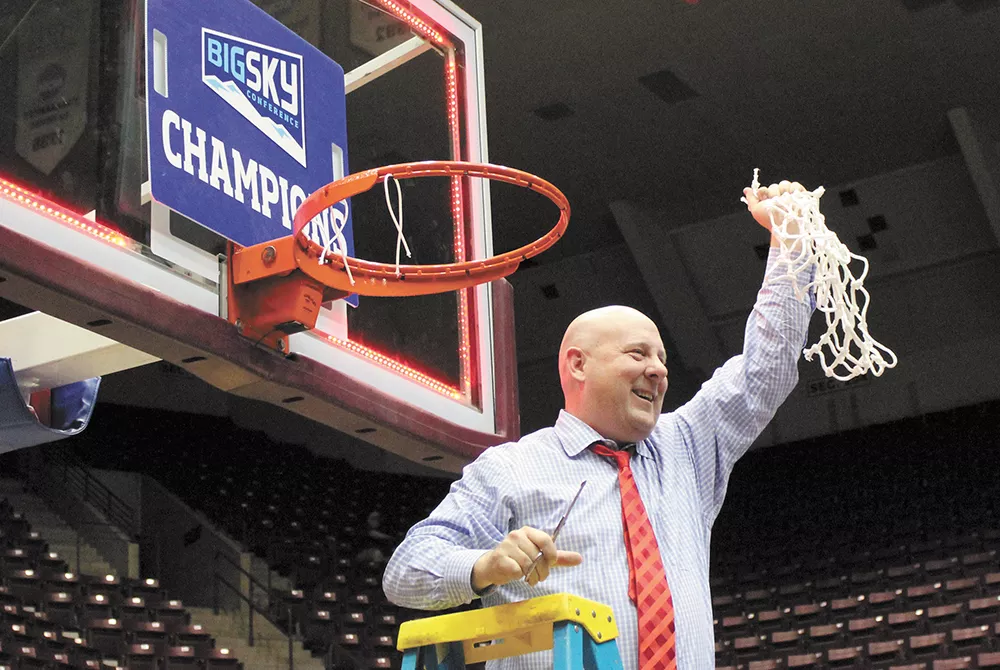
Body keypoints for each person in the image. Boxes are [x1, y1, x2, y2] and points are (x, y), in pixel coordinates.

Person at [383, 181, 817, 669]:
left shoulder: (688, 445)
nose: (658, 369)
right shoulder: (509, 468)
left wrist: (791, 241)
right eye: (637, 354)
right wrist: (483, 566)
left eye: (662, 358)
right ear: (578, 365)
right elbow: (405, 571)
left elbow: (768, 368)